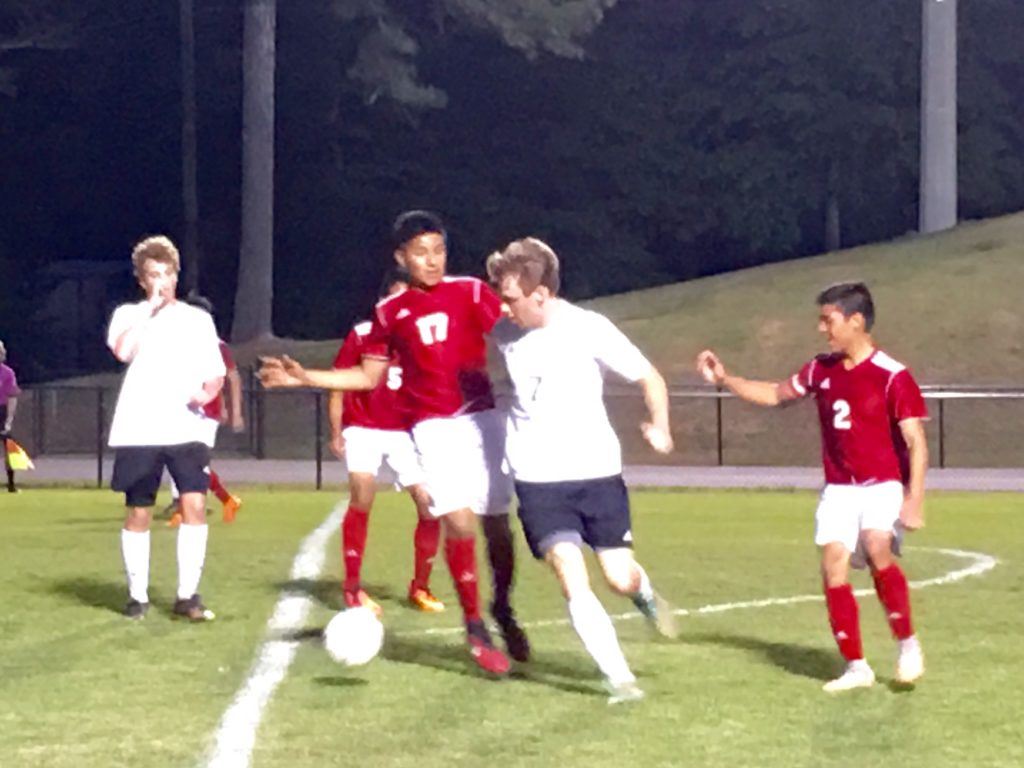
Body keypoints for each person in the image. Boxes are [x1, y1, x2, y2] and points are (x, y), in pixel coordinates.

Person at [260, 211, 526, 677]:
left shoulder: (469, 291)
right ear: (401, 258)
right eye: (421, 253)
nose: (432, 260)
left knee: (498, 526)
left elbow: (511, 333)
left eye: (439, 250)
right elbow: (368, 375)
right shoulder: (390, 313)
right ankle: (474, 623)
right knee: (458, 522)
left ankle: (502, 605)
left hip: (483, 420)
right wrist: (307, 377)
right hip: (432, 428)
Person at [696, 282, 928, 692]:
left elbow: (915, 442)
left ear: (856, 321)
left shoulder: (893, 376)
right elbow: (774, 393)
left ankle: (907, 645)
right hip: (839, 488)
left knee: (877, 547)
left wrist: (915, 499)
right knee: (833, 564)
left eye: (829, 320)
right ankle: (856, 667)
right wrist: (726, 379)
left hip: (883, 485)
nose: (822, 329)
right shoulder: (820, 369)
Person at [486, 237, 678, 705]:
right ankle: (621, 681)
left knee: (618, 577)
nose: (504, 308)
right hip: (537, 481)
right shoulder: (503, 332)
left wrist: (661, 426)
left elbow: (649, 377)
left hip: (597, 474)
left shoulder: (588, 328)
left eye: (511, 298)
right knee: (569, 570)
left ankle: (645, 594)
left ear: (541, 294)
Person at [107, 235, 226, 621]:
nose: (162, 282)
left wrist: (206, 393)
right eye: (153, 275)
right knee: (139, 510)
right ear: (143, 281)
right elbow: (123, 351)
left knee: (193, 503)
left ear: (177, 275)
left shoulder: (198, 319)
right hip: (139, 428)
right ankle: (137, 596)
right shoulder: (129, 314)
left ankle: (187, 595)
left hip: (186, 428)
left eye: (167, 274)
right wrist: (150, 311)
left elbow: (216, 373)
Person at [328, 267, 444, 614]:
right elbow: (338, 384)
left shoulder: (422, 340)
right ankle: (352, 589)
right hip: (363, 428)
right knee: (363, 494)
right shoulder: (363, 334)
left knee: (429, 504)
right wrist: (336, 432)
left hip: (404, 434)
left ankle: (420, 587)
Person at [165, 294, 244, 527]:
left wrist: (234, 411)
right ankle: (218, 501)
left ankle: (187, 507)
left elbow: (232, 378)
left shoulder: (216, 345)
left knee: (193, 460)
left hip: (207, 412)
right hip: (185, 409)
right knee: (182, 457)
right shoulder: (180, 345)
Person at [0, 339, 21, 493]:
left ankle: (11, 484)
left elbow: (12, 397)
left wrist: (9, 420)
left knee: (9, 448)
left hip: (1, 410)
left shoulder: (7, 373)